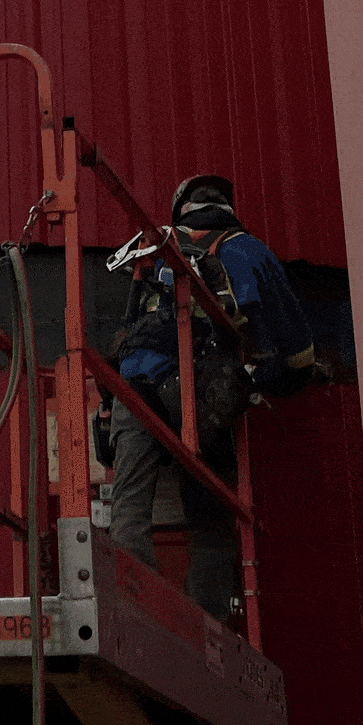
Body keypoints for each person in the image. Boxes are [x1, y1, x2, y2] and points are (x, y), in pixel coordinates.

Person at [105, 173, 319, 618]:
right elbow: (299, 354)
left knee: (128, 508)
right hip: (202, 394)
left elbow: (126, 324)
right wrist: (261, 381)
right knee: (211, 521)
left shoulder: (150, 246)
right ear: (228, 208)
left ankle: (134, 607)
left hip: (136, 384)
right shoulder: (249, 251)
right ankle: (207, 626)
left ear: (180, 210)